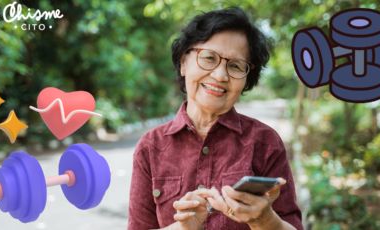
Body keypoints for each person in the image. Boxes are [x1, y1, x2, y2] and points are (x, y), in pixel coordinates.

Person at [128, 7, 302, 230]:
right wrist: (183, 228)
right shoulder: (150, 147)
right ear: (183, 63)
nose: (220, 76)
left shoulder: (265, 142)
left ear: (247, 78)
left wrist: (265, 219)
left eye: (235, 66)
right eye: (209, 58)